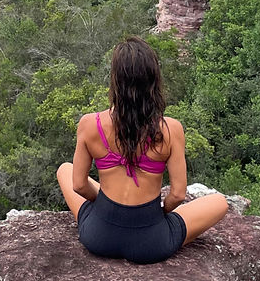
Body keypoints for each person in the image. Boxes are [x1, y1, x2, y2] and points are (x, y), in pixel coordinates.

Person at [56, 36, 228, 264]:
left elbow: (78, 185)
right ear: (153, 80)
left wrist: (106, 208)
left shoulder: (89, 124)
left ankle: (109, 208)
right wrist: (159, 214)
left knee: (65, 170)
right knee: (220, 203)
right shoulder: (171, 129)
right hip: (151, 242)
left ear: (116, 80)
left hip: (98, 236)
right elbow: (177, 194)